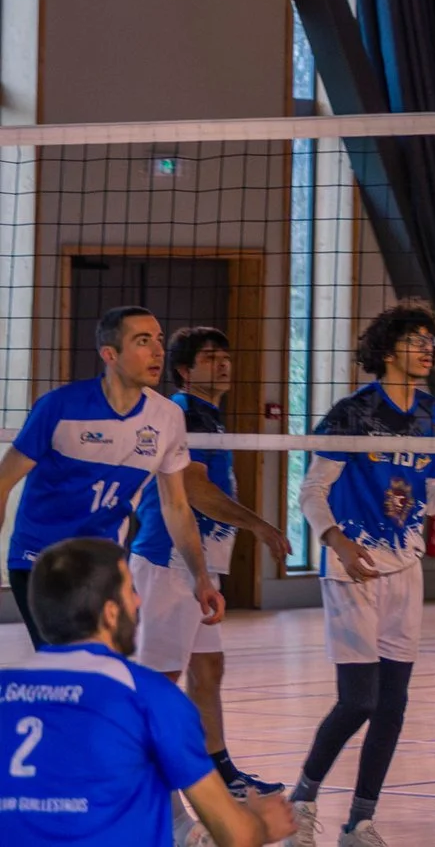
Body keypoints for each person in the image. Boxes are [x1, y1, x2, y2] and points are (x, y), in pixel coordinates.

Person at [288, 299, 435, 847]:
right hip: (351, 568)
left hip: (405, 569)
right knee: (358, 699)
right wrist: (335, 539)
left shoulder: (434, 414)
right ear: (387, 350)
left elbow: (429, 499)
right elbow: (312, 492)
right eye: (416, 339)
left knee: (393, 705)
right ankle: (302, 801)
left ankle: (360, 822)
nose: (429, 348)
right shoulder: (353, 412)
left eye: (433, 340)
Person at [0, 537, 295, 846]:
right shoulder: (147, 696)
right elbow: (236, 835)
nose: (139, 601)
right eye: (130, 590)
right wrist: (263, 823)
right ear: (110, 613)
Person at [130, 326, 296, 802]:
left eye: (226, 355)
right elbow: (194, 490)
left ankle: (223, 776)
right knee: (162, 681)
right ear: (184, 370)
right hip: (168, 561)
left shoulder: (212, 417)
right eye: (209, 357)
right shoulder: (182, 412)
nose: (223, 363)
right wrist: (258, 525)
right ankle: (143, 782)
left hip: (199, 568)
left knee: (209, 670)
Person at [1, 306, 222, 650]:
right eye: (143, 341)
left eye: (159, 340)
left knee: (107, 665)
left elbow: (177, 506)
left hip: (103, 565)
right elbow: (2, 482)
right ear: (110, 354)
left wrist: (202, 577)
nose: (158, 352)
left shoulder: (167, 417)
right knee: (69, 666)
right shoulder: (58, 408)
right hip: (41, 562)